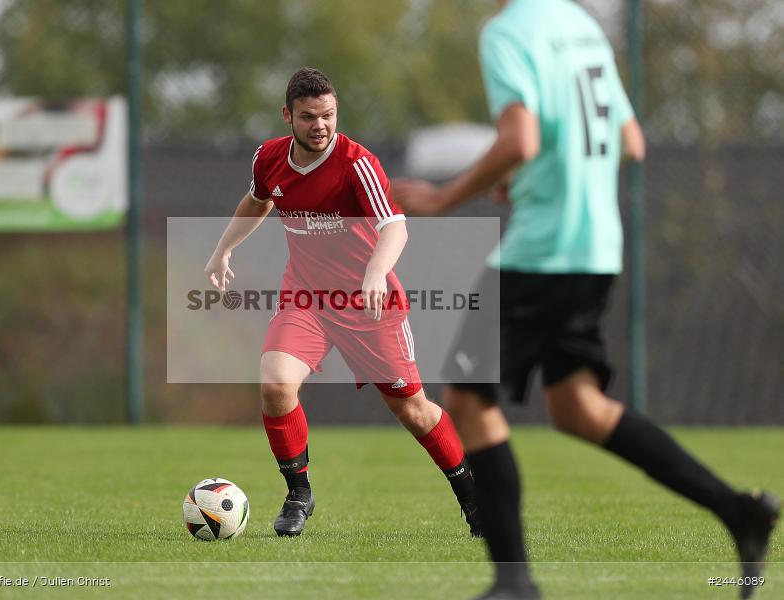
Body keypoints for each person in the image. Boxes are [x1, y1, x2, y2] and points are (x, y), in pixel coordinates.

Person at [394, 1, 779, 599]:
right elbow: (631, 141)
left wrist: (445, 199)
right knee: (578, 406)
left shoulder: (508, 32)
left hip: (542, 250)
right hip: (597, 247)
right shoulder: (582, 28)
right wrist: (542, 173)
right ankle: (736, 509)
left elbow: (519, 138)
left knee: (468, 399)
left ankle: (515, 584)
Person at [205, 67, 483, 538]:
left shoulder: (357, 163)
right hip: (306, 299)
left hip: (369, 307)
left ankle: (476, 501)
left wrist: (375, 271)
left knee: (413, 410)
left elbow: (394, 225)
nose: (321, 126)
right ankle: (299, 494)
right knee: (275, 384)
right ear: (287, 115)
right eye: (310, 116)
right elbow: (258, 200)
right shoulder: (269, 158)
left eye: (329, 115)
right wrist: (223, 248)